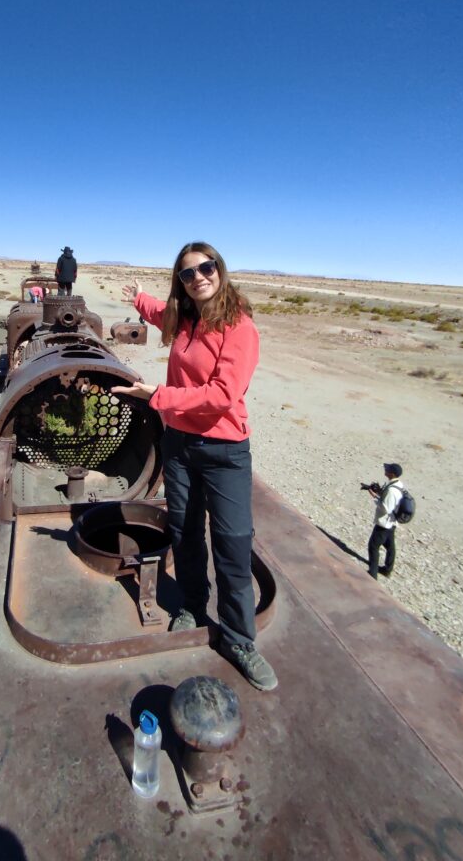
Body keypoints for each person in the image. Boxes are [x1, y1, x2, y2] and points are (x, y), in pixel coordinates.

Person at [113, 241, 277, 692]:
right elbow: (159, 315)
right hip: (180, 446)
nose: (198, 277)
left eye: (206, 268)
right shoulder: (184, 318)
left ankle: (240, 640)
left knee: (232, 543)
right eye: (187, 273)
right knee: (184, 531)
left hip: (224, 451)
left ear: (219, 270)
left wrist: (157, 395)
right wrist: (139, 298)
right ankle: (191, 605)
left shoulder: (239, 327)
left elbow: (222, 395)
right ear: (180, 282)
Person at [367, 463, 404, 579]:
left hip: (384, 524)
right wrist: (380, 492)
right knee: (390, 546)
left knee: (373, 546)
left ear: (392, 474)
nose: (385, 470)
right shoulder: (398, 485)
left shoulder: (392, 490)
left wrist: (375, 496)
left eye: (387, 469)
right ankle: (387, 570)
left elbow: (386, 508)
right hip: (392, 523)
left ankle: (372, 574)